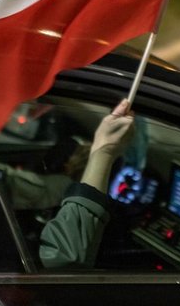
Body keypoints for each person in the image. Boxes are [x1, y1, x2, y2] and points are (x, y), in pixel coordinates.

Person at [37, 98, 135, 269]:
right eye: (81, 154)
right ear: (66, 166)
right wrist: (104, 151)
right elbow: (64, 257)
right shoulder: (57, 188)